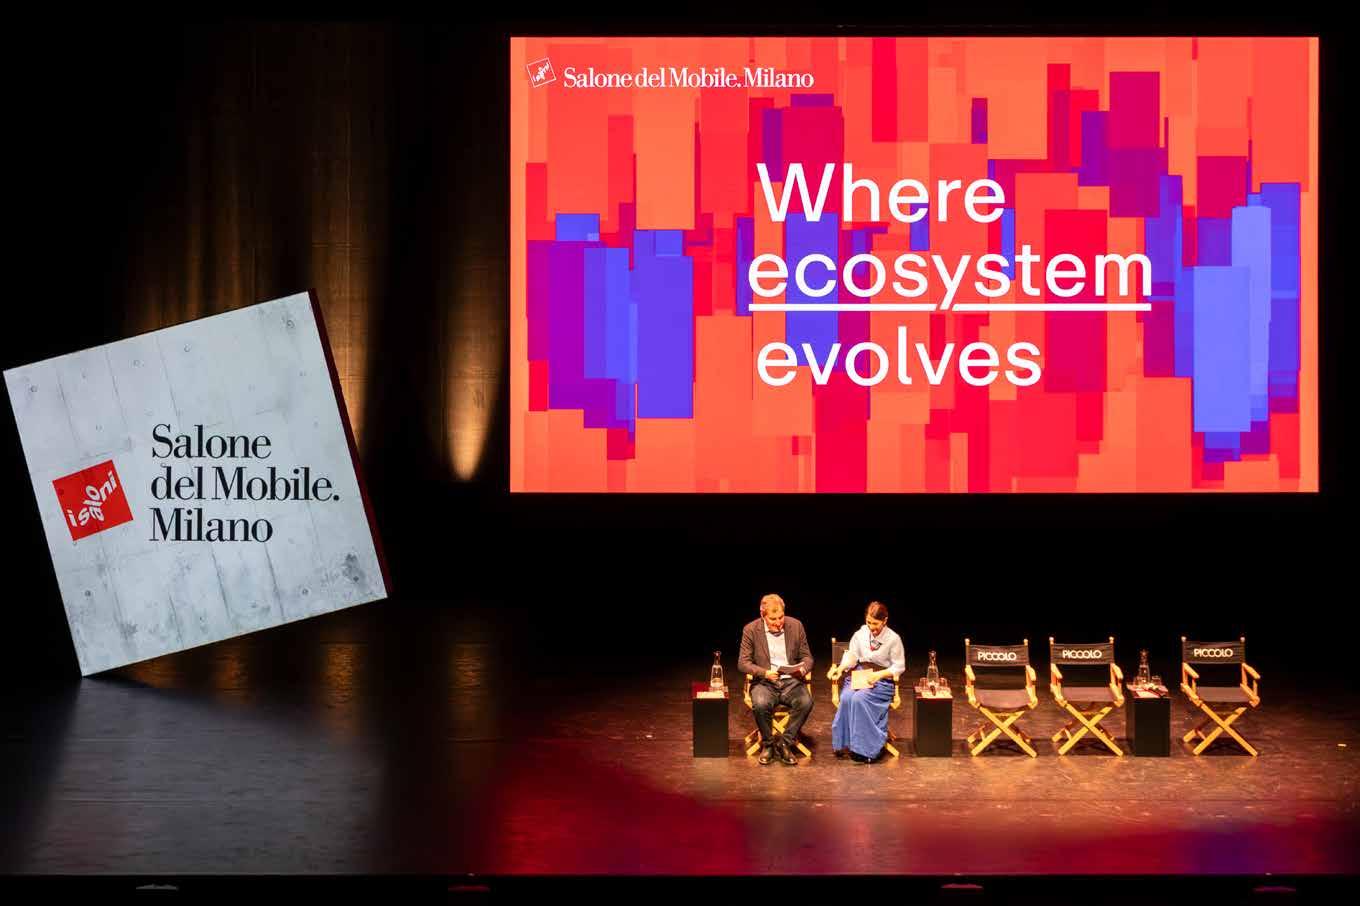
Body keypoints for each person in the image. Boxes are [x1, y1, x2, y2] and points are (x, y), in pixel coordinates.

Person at [738, 593, 814, 766]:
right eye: (773, 619)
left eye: (781, 617)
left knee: (806, 702)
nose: (778, 622)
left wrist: (802, 669)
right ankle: (768, 745)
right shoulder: (751, 630)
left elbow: (807, 657)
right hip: (765, 682)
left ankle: (785, 743)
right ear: (762, 615)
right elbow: (743, 663)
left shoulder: (796, 626)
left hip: (791, 681)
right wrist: (764, 673)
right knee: (760, 704)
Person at [828, 601, 905, 763]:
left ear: (885, 621)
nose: (871, 627)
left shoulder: (893, 639)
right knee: (847, 697)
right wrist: (841, 668)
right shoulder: (860, 634)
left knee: (859, 699)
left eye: (875, 623)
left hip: (882, 681)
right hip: (860, 675)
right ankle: (846, 743)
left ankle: (867, 750)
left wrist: (879, 675)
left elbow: (899, 666)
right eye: (868, 622)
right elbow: (852, 656)